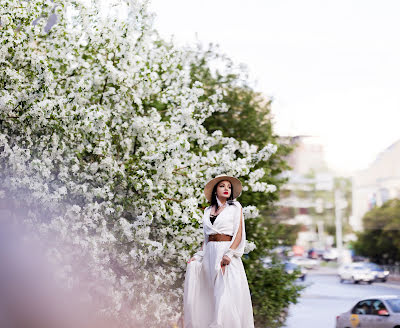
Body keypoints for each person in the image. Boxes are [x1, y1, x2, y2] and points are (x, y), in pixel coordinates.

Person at [184, 175, 254, 328]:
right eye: (222, 186)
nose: (226, 189)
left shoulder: (235, 207)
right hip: (210, 253)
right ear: (215, 190)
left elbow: (239, 233)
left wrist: (229, 253)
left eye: (229, 187)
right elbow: (207, 237)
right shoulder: (208, 210)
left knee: (226, 294)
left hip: (226, 252)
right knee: (210, 295)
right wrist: (198, 255)